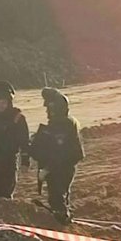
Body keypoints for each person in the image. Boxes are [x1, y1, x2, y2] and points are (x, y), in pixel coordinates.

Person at [29, 87, 85, 224]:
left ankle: (62, 220)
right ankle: (62, 216)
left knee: (57, 195)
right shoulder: (65, 124)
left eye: (49, 108)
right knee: (59, 194)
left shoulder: (63, 126)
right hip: (61, 167)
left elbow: (59, 153)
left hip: (60, 168)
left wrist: (46, 169)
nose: (47, 112)